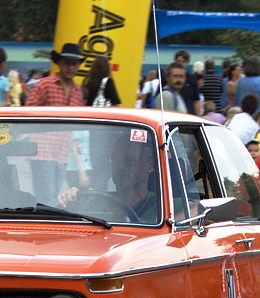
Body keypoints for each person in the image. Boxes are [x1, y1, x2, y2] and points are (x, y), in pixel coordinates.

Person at [25, 43, 85, 203]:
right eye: (67, 63)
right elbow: (28, 112)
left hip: (62, 152)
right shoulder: (45, 84)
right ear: (59, 63)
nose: (70, 67)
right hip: (42, 149)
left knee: (54, 196)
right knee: (47, 197)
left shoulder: (78, 91)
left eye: (74, 64)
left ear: (78, 65)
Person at [57, 135, 160, 224]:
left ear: (150, 166)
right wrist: (72, 205)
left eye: (130, 161)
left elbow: (174, 224)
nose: (120, 166)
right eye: (115, 160)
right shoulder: (97, 203)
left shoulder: (165, 206)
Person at [172, 49, 201, 114]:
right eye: (178, 61)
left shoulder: (192, 79)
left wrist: (198, 117)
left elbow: (196, 101)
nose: (181, 64)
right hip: (172, 114)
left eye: (183, 61)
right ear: (174, 61)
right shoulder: (167, 77)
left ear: (187, 63)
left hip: (188, 114)